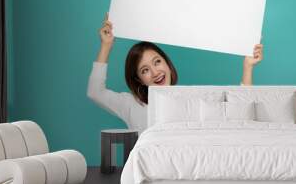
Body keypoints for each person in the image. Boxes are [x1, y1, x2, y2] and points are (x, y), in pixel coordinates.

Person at [87, 12, 264, 133]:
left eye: (157, 62)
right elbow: (95, 92)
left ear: (166, 62)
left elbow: (235, 114)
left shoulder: (189, 99)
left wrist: (248, 67)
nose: (155, 72)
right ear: (139, 79)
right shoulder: (131, 105)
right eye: (145, 70)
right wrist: (106, 45)